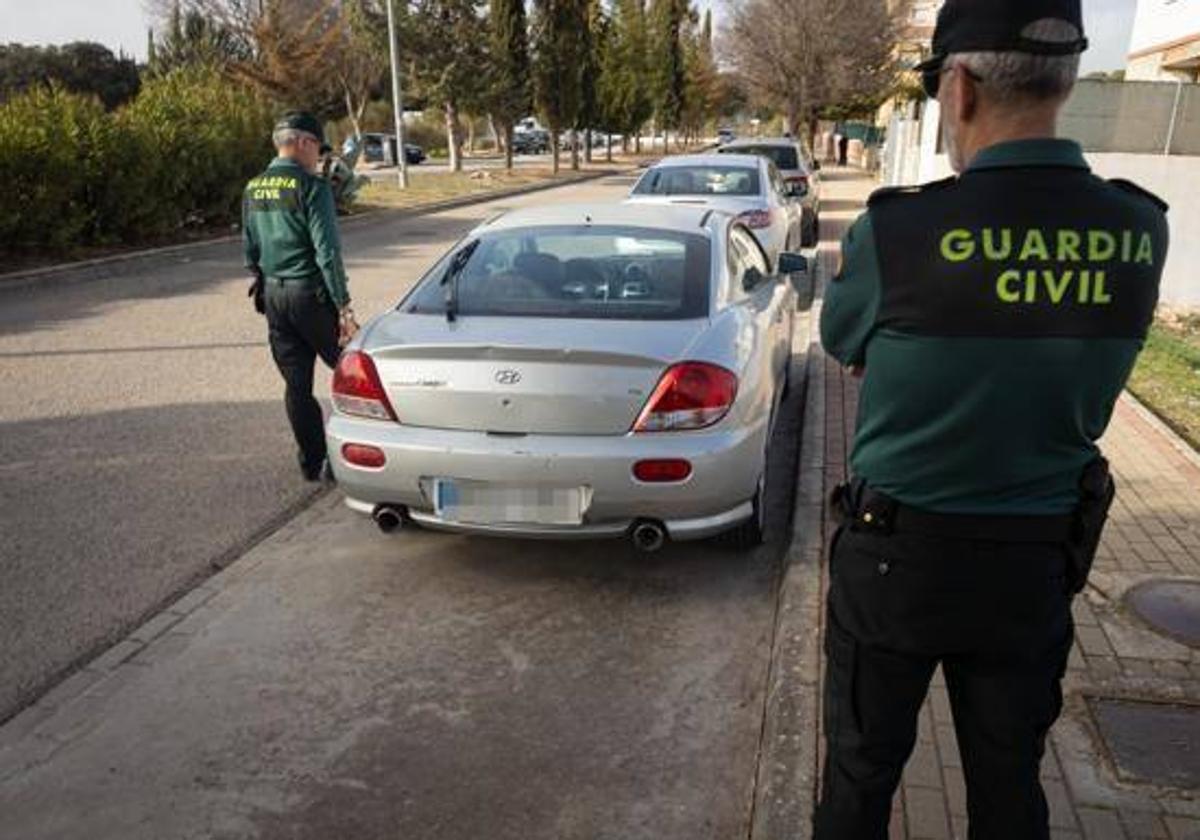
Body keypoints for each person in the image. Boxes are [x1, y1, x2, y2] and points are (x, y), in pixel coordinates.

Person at [816, 1, 1168, 837]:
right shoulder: (1138, 227)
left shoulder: (898, 230)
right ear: (1068, 80)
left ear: (961, 86)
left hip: (897, 564)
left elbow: (842, 341)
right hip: (1034, 564)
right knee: (1009, 785)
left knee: (861, 779)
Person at [244, 111, 360, 482]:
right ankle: (365, 454)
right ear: (303, 142)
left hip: (274, 296)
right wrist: (343, 305)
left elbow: (250, 250)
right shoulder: (312, 188)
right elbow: (327, 253)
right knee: (353, 372)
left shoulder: (253, 188)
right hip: (310, 295)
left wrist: (266, 280)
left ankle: (313, 463)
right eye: (317, 149)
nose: (319, 158)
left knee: (296, 385)